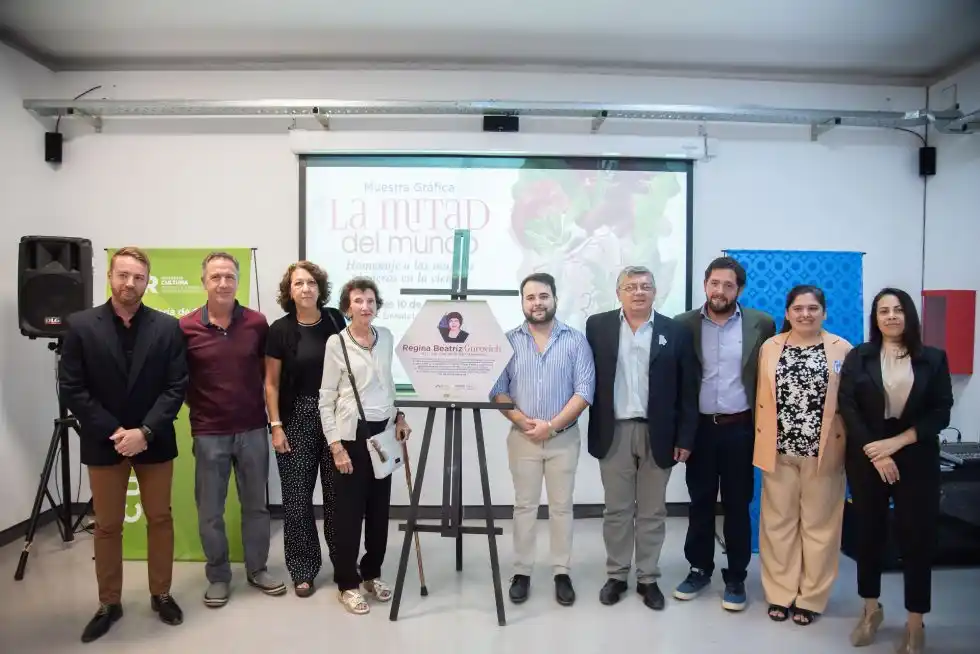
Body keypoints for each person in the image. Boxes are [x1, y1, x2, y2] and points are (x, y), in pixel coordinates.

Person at [59, 246, 187, 643]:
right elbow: (72, 388)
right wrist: (116, 431)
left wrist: (144, 432)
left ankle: (161, 593)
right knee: (108, 526)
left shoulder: (167, 328)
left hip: (154, 440)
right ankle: (108, 603)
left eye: (138, 277)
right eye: (123, 275)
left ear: (147, 282)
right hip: (105, 442)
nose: (130, 283)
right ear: (110, 277)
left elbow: (176, 386)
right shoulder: (81, 325)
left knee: (160, 519)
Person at [839, 288, 953, 653]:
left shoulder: (933, 359)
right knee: (869, 535)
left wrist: (897, 443)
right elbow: (848, 406)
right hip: (867, 453)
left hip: (915, 454)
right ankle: (871, 609)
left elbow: (941, 411)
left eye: (898, 310)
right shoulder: (860, 356)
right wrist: (877, 451)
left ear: (910, 315)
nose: (890, 316)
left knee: (916, 539)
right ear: (875, 317)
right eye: (883, 310)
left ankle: (916, 622)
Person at [585, 265, 699, 610]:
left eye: (645, 286)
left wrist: (686, 436)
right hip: (614, 430)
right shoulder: (598, 326)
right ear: (618, 292)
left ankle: (648, 577)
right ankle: (617, 575)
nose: (638, 292)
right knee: (616, 510)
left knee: (652, 511)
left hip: (659, 433)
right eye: (630, 286)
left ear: (655, 292)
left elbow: (688, 389)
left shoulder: (674, 331)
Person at [180, 251, 286, 608]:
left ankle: (257, 569)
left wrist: (273, 422)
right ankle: (219, 575)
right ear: (204, 282)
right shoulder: (186, 326)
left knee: (256, 506)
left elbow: (269, 377)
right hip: (209, 432)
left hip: (254, 429)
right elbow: (178, 380)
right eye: (215, 277)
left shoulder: (257, 323)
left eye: (229, 276)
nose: (223, 282)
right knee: (210, 510)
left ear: (237, 280)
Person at [673, 256, 776, 611]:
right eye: (714, 283)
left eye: (728, 285)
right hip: (700, 430)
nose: (720, 291)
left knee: (737, 504)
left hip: (740, 429)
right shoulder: (682, 324)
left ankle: (735, 575)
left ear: (740, 289)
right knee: (700, 501)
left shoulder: (761, 324)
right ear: (705, 284)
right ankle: (699, 568)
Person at [490, 272, 596, 606]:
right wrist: (523, 421)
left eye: (543, 296)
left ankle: (561, 571)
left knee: (562, 507)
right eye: (530, 297)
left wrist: (550, 426)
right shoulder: (508, 342)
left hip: (563, 438)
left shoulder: (575, 340)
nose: (537, 303)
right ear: (523, 302)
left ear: (554, 299)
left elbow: (584, 392)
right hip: (522, 439)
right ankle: (521, 571)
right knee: (524, 506)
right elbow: (498, 390)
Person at [754, 284, 852, 626]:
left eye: (812, 308)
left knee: (820, 527)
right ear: (787, 313)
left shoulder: (842, 349)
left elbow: (851, 404)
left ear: (823, 312)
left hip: (823, 452)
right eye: (798, 308)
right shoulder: (770, 347)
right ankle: (780, 593)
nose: (805, 314)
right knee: (778, 525)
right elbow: (760, 397)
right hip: (778, 451)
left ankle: (811, 596)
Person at [319, 276, 412, 615]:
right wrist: (335, 446)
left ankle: (371, 573)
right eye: (358, 300)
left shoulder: (385, 337)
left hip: (383, 433)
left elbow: (388, 384)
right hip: (350, 435)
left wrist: (399, 416)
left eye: (370, 300)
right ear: (347, 307)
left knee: (377, 513)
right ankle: (347, 583)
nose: (365, 306)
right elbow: (326, 398)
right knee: (348, 515)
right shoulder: (336, 343)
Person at [264, 261, 346, 597]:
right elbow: (270, 384)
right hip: (295, 416)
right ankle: (303, 569)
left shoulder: (335, 321)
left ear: (320, 288)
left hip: (336, 418)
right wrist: (276, 426)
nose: (306, 288)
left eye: (311, 282)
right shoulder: (279, 330)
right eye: (298, 283)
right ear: (289, 290)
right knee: (297, 500)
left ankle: (344, 566)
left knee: (338, 497)